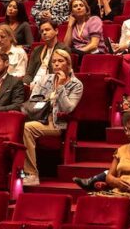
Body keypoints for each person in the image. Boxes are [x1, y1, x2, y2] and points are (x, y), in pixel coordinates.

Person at [21, 50, 83, 187]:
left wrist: (60, 87)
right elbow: (33, 99)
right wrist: (49, 100)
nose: (56, 64)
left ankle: (31, 174)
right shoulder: (46, 79)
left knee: (26, 129)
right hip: (38, 117)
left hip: (55, 123)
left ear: (68, 64)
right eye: (54, 61)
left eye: (60, 61)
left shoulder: (76, 84)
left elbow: (68, 108)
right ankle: (16, 173)